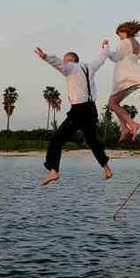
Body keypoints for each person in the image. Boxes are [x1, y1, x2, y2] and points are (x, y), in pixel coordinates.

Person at [35, 46, 113, 185]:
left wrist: (46, 57)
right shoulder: (90, 67)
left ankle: (54, 171)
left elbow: (58, 63)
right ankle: (107, 169)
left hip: (79, 109)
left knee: (57, 139)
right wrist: (105, 47)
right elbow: (101, 58)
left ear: (70, 60)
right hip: (91, 109)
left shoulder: (70, 67)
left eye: (65, 60)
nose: (64, 62)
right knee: (92, 140)